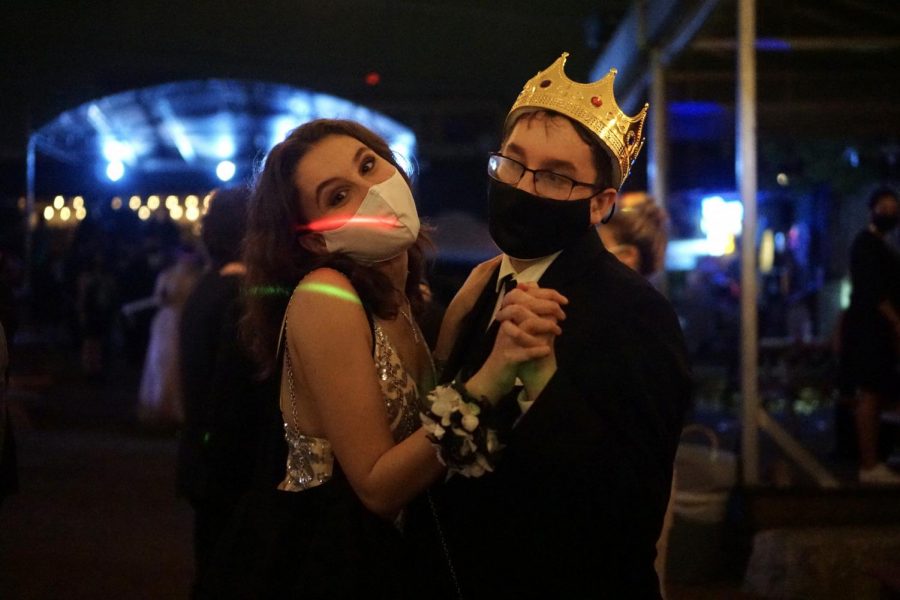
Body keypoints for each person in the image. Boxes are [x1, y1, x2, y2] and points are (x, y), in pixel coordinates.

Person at [201, 119, 560, 598]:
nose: (373, 192)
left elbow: (423, 415)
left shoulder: (402, 300)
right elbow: (377, 486)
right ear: (314, 240)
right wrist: (493, 375)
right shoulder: (326, 295)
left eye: (369, 165)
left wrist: (461, 316)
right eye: (337, 197)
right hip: (327, 566)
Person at [417, 54, 691, 598]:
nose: (523, 186)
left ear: (600, 205)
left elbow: (633, 507)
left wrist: (545, 383)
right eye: (513, 163)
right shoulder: (484, 289)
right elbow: (468, 458)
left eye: (556, 177)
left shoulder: (634, 310)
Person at [176, 186, 285, 596]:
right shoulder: (241, 301)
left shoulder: (207, 288)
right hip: (228, 469)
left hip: (203, 459)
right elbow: (236, 400)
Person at [839, 186, 900, 484]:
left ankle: (873, 459)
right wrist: (895, 321)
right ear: (872, 209)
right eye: (883, 208)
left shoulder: (878, 245)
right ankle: (869, 463)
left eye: (893, 209)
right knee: (870, 394)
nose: (889, 214)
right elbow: (874, 291)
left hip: (877, 332)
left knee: (877, 394)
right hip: (869, 332)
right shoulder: (866, 245)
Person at [137, 245, 201, 426]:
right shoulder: (166, 275)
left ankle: (177, 408)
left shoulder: (196, 277)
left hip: (184, 321)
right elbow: (158, 298)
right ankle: (158, 405)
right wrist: (165, 298)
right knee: (161, 360)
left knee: (179, 361)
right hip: (166, 322)